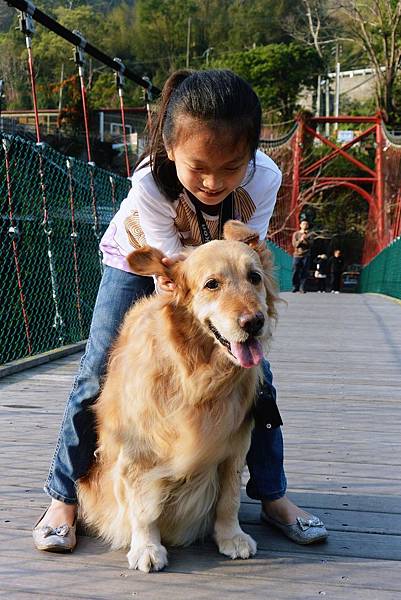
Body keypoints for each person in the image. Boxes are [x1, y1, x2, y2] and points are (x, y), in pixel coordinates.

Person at [33, 69, 328, 553]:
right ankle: (62, 498)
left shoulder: (267, 176)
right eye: (199, 168)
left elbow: (243, 250)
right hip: (149, 261)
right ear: (171, 150)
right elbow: (171, 278)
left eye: (231, 167)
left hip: (217, 269)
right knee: (97, 371)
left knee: (260, 379)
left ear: (252, 155)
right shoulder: (151, 181)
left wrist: (239, 321)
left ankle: (273, 497)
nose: (214, 182)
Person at [291, 220, 312, 293]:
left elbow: (311, 245)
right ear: (300, 225)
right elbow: (295, 245)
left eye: (306, 224)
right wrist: (301, 239)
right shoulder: (296, 234)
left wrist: (306, 239)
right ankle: (295, 286)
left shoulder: (310, 235)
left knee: (305, 272)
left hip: (306, 255)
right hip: (297, 255)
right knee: (295, 270)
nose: (305, 225)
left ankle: (302, 287)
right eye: (303, 224)